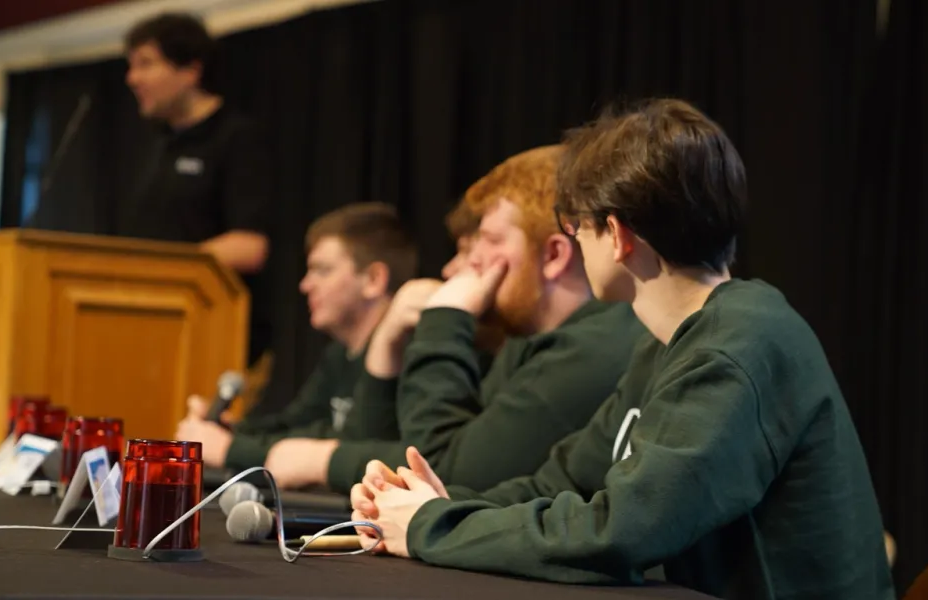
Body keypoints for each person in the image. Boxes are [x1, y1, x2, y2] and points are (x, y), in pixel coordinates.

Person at [351, 100, 896, 599]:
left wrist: (431, 526)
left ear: (615, 234)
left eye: (576, 227)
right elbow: (562, 483)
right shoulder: (673, 343)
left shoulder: (738, 347)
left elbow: (620, 533)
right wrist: (439, 504)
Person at [262, 145, 646, 493]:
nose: (467, 263)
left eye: (490, 241)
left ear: (554, 256)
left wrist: (445, 318)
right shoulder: (525, 343)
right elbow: (417, 448)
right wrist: (386, 347)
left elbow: (441, 474)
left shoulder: (591, 347)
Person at [176, 202, 417, 470]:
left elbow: (354, 447)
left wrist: (230, 450)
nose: (305, 285)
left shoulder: (407, 352)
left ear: (373, 279)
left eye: (322, 270)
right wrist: (232, 432)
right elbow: (296, 425)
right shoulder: (339, 354)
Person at [122, 13, 273, 364]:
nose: (132, 78)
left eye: (146, 64)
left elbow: (250, 247)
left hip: (215, 337)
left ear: (190, 70)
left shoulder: (237, 138)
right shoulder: (157, 144)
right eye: (131, 66)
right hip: (154, 326)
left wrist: (161, 269)